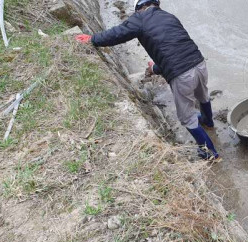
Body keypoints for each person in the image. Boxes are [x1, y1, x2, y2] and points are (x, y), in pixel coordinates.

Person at [75, 0, 219, 161]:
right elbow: (174, 49)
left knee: (187, 117)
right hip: (199, 63)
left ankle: (210, 153)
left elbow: (117, 33)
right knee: (202, 95)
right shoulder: (169, 16)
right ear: (156, 5)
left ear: (138, 9)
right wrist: (155, 68)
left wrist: (92, 39)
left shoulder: (140, 19)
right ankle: (208, 121)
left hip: (181, 74)